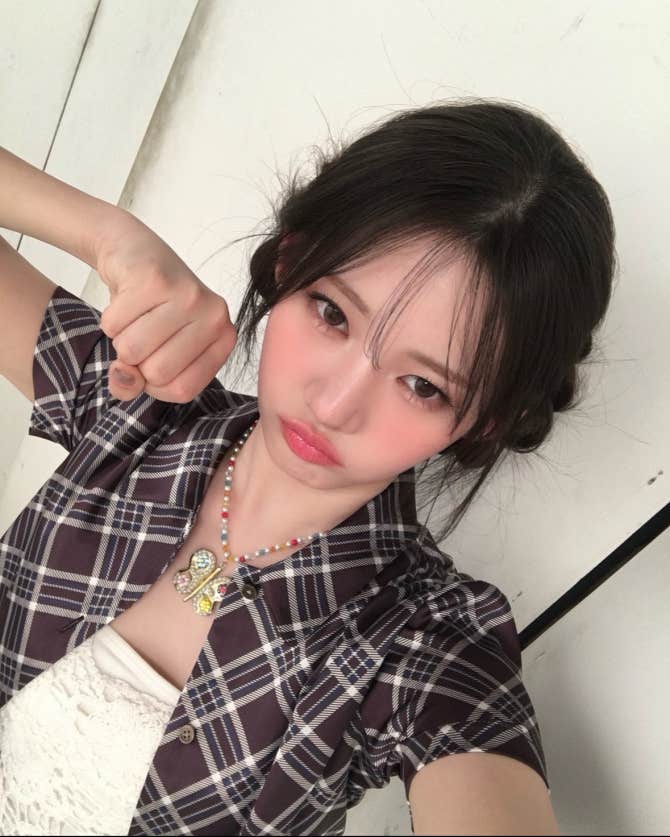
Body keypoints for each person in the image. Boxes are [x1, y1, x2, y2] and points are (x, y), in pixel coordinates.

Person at [0, 98, 614, 835]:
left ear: (484, 420)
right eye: (332, 313)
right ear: (290, 262)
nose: (335, 402)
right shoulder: (138, 406)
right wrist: (110, 236)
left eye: (423, 385)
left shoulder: (421, 645)